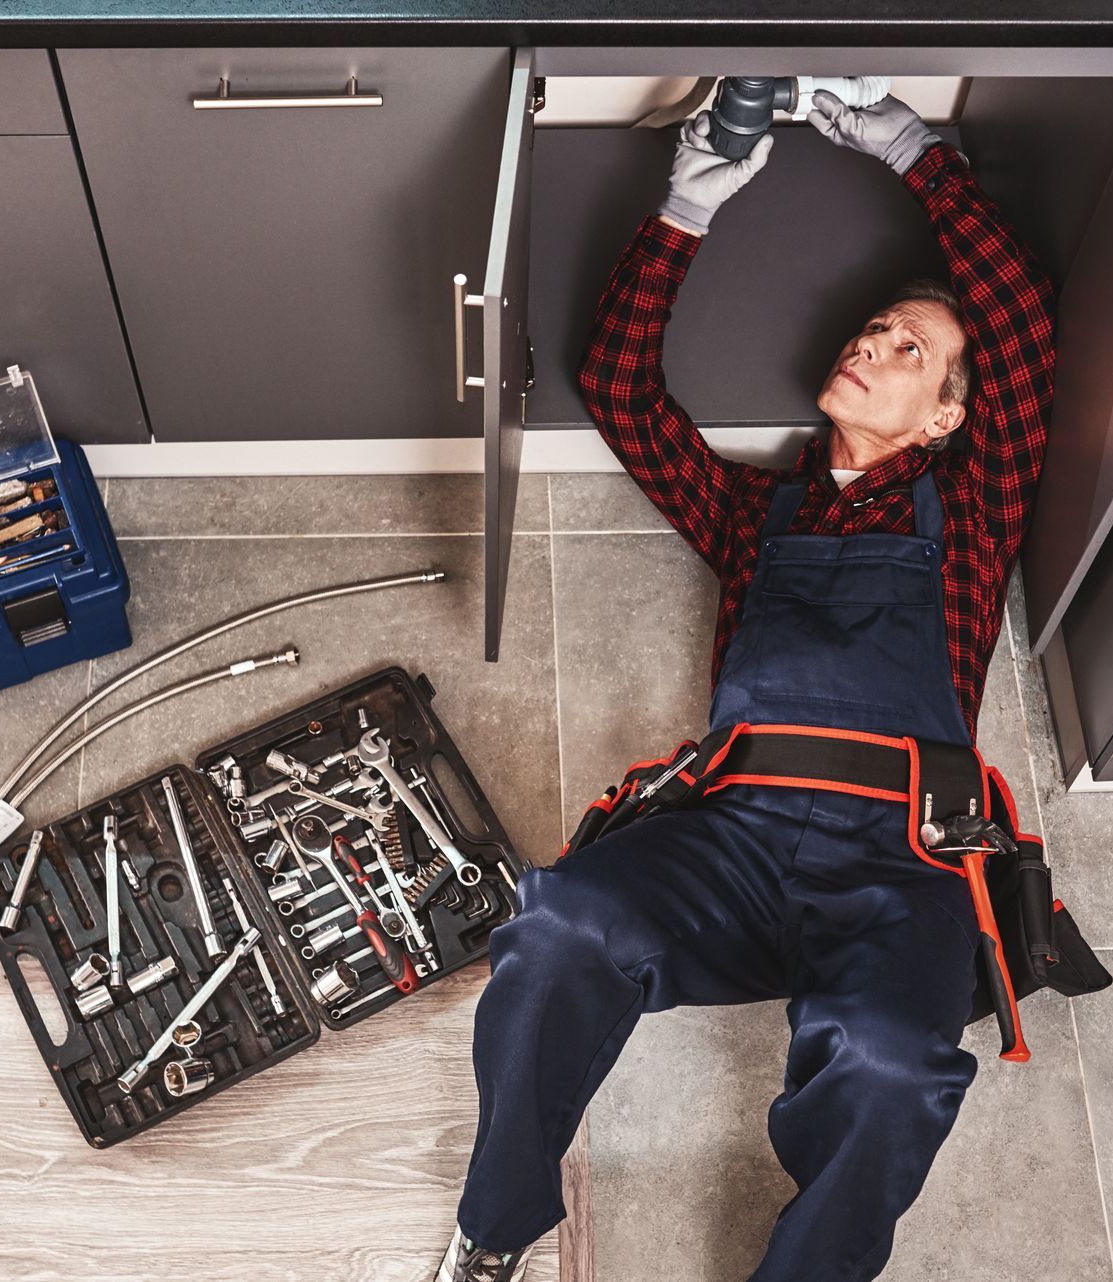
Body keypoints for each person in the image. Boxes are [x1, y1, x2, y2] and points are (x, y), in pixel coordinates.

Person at [433, 85, 1057, 1282]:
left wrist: (912, 151)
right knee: (559, 924)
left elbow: (1020, 326)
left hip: (903, 857)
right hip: (736, 836)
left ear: (948, 416)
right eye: (874, 331)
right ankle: (494, 1228)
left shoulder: (973, 514)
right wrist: (688, 202)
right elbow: (618, 385)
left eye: (908, 350)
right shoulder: (753, 519)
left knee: (887, 1063)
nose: (870, 348)